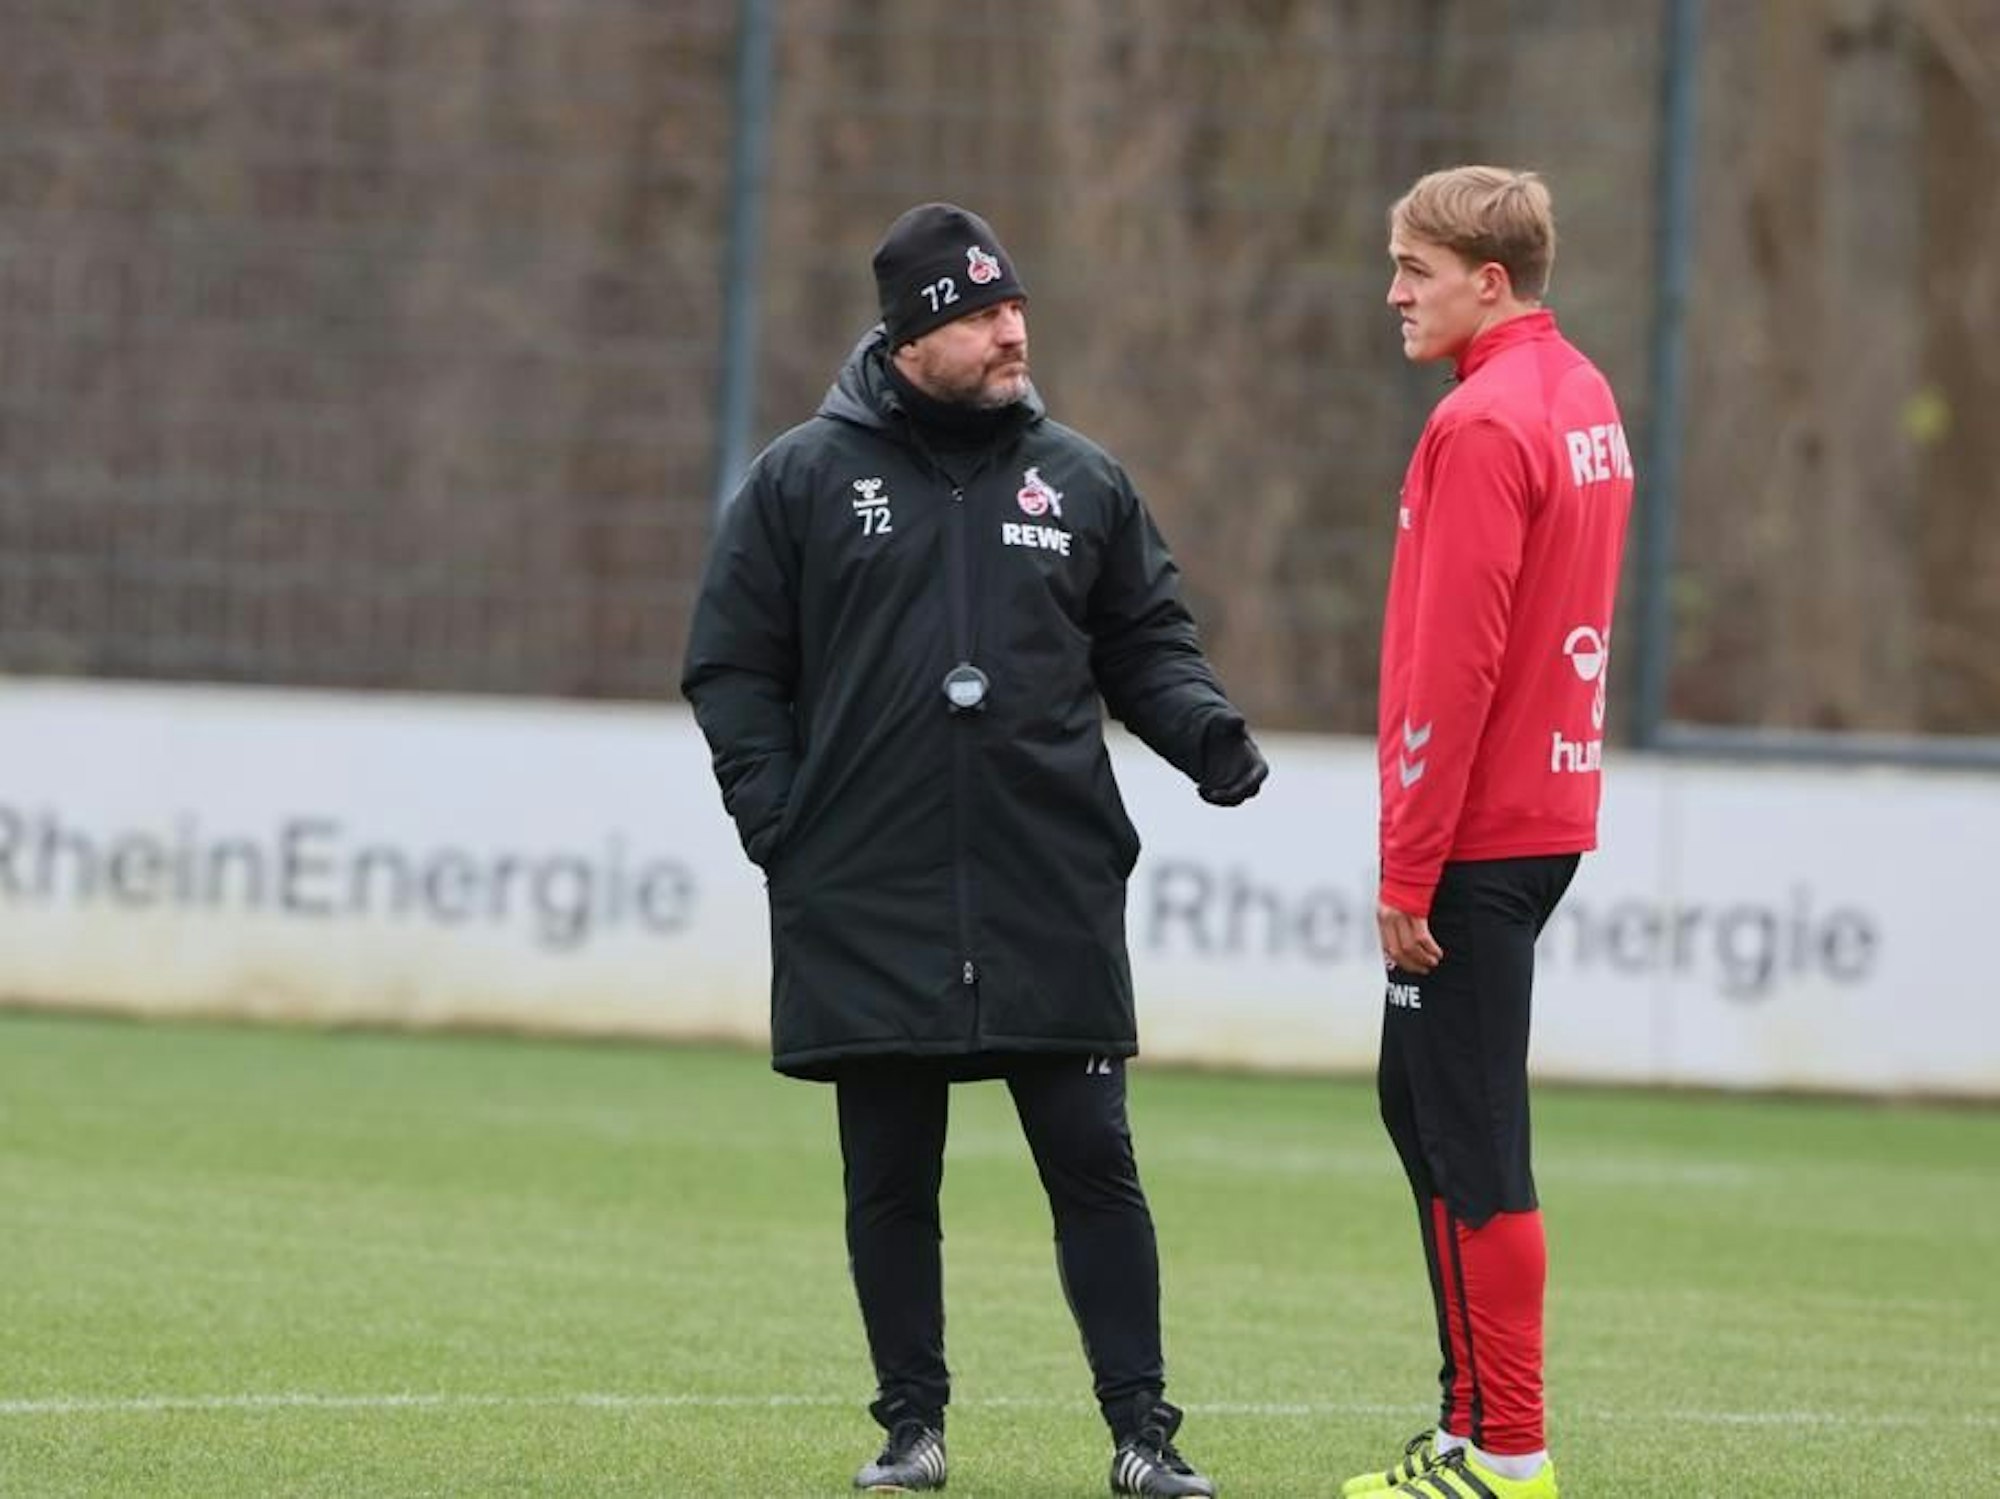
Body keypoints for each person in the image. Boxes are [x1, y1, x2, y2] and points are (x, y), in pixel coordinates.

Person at [681, 201, 1267, 1497]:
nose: (1012, 333)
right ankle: (911, 1430)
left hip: (1044, 883)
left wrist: (1203, 734)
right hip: (864, 886)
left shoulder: (1085, 481)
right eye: (979, 315)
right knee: (891, 1174)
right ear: (911, 334)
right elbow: (730, 667)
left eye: (1014, 308)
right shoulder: (801, 481)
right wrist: (782, 825)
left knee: (1095, 1164)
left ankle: (1143, 1437)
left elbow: (1145, 645)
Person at [1346, 167, 1633, 1499]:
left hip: (1474, 833)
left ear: (1490, 281)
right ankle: (1468, 1427)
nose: (1395, 293)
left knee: (1469, 1136)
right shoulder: (1580, 395)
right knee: (1424, 1109)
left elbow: (1451, 669)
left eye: (1416, 268)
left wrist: (1408, 864)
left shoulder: (1480, 422)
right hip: (1544, 813)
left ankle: (1508, 1452)